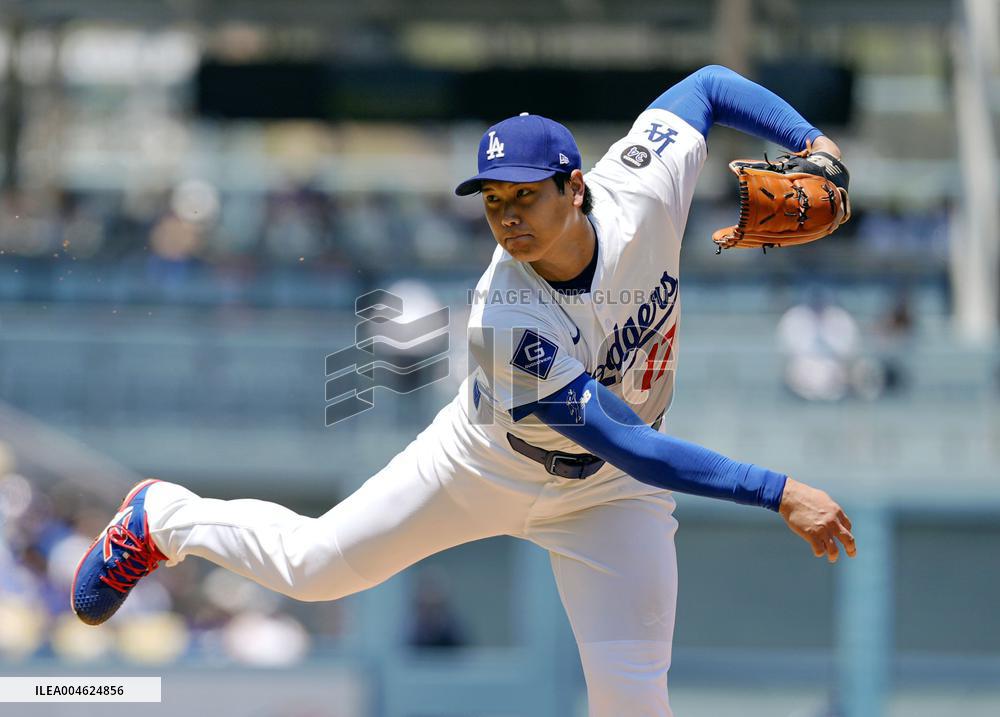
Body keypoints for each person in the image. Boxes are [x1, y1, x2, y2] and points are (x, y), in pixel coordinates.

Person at [72, 65, 856, 716]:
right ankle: (160, 516)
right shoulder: (503, 314)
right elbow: (628, 440)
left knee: (632, 695)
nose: (507, 216)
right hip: (483, 464)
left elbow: (711, 84)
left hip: (608, 498)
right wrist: (775, 488)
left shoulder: (643, 187)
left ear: (574, 187)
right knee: (315, 566)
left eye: (524, 196)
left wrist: (816, 147)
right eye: (492, 201)